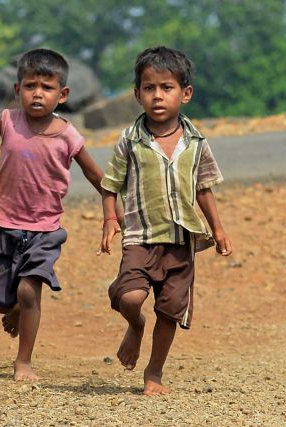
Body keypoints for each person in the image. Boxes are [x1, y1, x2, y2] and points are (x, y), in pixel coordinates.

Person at [0, 48, 106, 382]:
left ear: (63, 94)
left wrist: (113, 211)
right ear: (17, 90)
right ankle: (13, 310)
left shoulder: (68, 135)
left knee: (29, 291)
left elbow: (95, 175)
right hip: (2, 223)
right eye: (30, 86)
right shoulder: (8, 121)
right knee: (2, 300)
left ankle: (23, 361)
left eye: (47, 87)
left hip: (44, 229)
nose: (37, 93)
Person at [98, 46, 233, 395]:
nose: (157, 95)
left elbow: (203, 188)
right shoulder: (129, 139)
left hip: (180, 240)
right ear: (137, 94)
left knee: (171, 310)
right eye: (149, 88)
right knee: (130, 297)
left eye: (166, 87)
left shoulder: (197, 142)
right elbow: (110, 185)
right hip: (140, 236)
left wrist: (217, 229)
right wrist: (109, 219)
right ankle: (135, 325)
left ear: (185, 94)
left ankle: (154, 374)